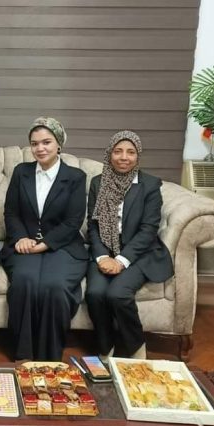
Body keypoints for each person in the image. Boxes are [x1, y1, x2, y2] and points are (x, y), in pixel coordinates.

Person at [1, 117, 89, 361]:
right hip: (25, 244)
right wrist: (20, 237)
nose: (40, 148)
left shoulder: (75, 176)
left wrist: (45, 244)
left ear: (59, 143)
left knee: (54, 286)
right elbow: (11, 212)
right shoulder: (22, 172)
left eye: (46, 142)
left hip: (62, 245)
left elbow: (73, 221)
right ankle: (23, 354)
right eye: (34, 143)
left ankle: (49, 358)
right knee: (24, 281)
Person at [85, 130, 174, 362]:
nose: (124, 157)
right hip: (104, 250)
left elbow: (148, 230)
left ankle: (136, 346)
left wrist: (121, 260)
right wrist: (102, 256)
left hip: (139, 253)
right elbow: (93, 226)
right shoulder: (98, 183)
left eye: (130, 152)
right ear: (110, 154)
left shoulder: (149, 185)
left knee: (117, 294)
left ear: (138, 156)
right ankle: (105, 347)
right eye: (118, 151)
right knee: (95, 293)